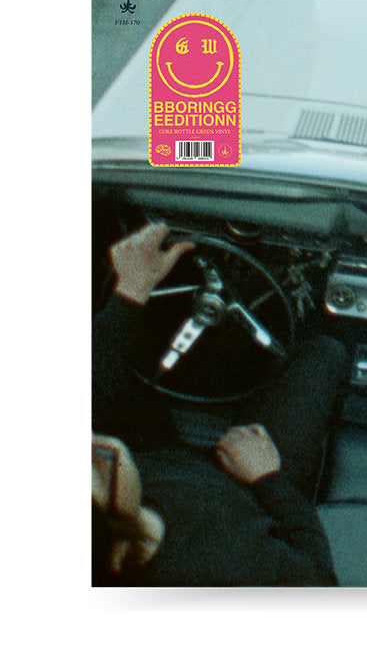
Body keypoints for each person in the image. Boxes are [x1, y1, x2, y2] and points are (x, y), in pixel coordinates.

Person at [92, 222, 349, 586]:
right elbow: (319, 579)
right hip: (252, 491)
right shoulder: (229, 570)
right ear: (114, 552)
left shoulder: (110, 487)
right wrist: (269, 481)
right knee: (325, 353)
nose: (98, 444)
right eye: (97, 466)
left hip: (165, 457)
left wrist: (130, 290)